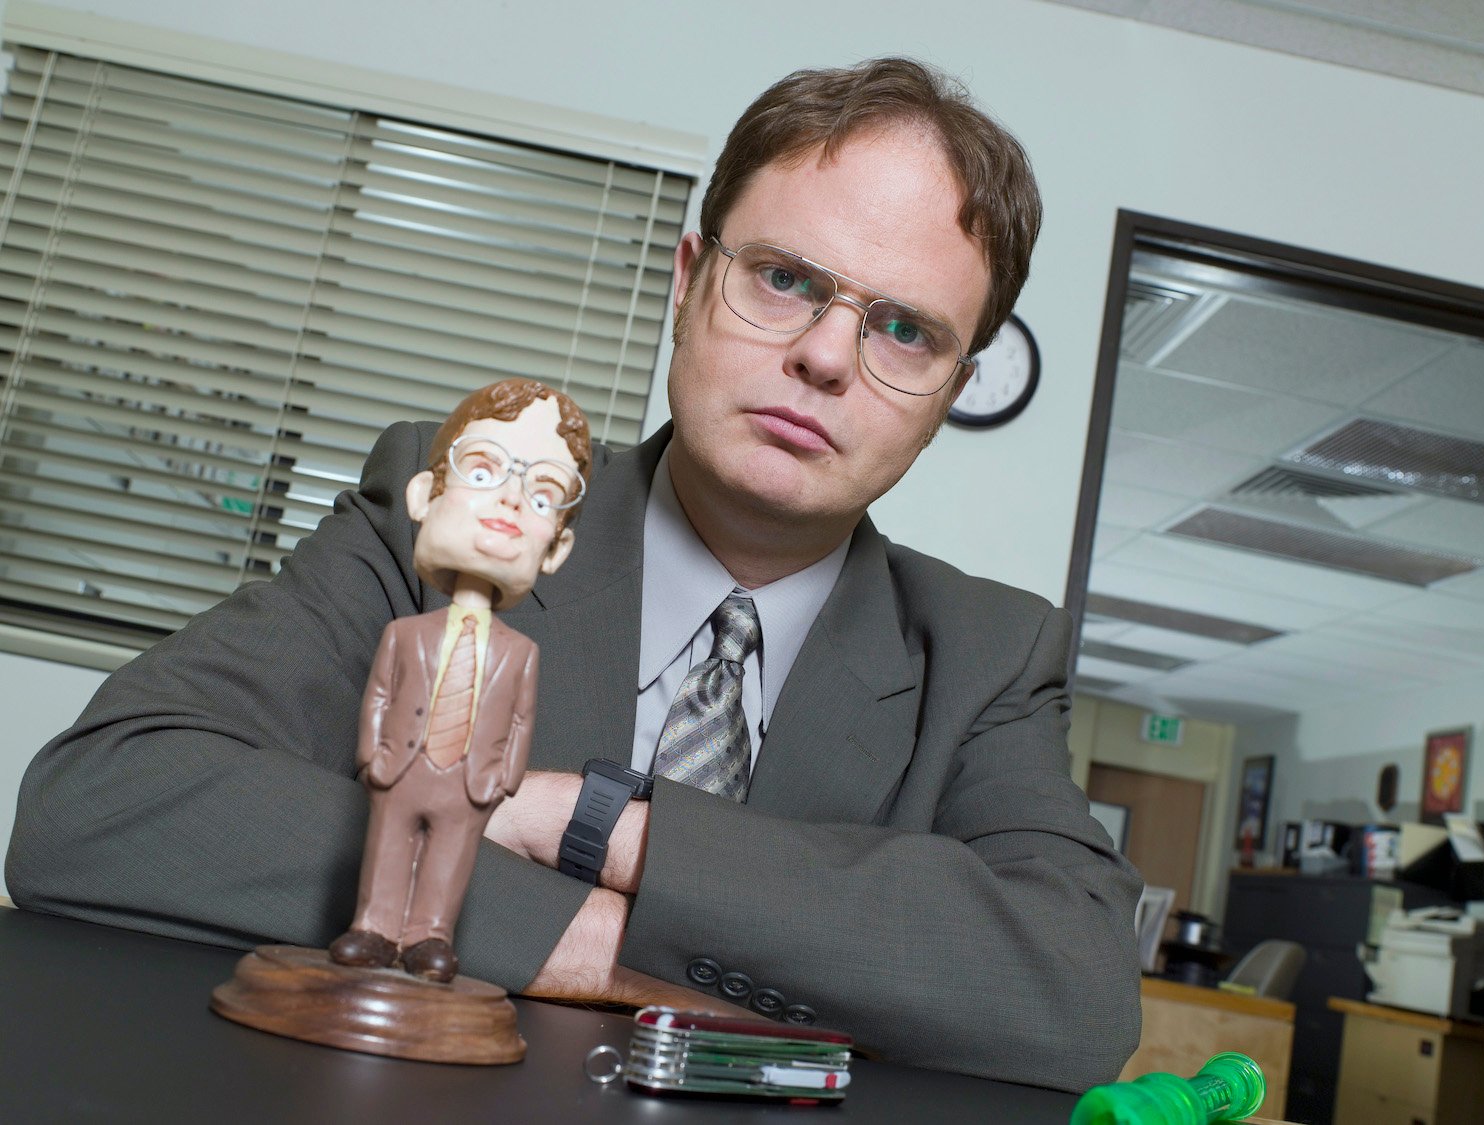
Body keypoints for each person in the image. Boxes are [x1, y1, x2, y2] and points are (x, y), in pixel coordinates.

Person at [6, 57, 1141, 1090]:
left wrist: (610, 828)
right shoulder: (451, 505)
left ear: (950, 390)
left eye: (904, 328)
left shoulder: (987, 655)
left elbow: (1078, 993)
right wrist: (582, 941)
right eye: (786, 279)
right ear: (690, 283)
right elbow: (105, 799)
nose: (827, 355)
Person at [328, 379, 587, 983]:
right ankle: (374, 926)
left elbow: (520, 719)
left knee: (449, 861)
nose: (512, 503)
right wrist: (375, 754)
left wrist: (505, 779)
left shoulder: (519, 652)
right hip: (402, 767)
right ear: (424, 494)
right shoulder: (406, 635)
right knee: (387, 849)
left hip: (470, 784)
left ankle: (430, 938)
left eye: (543, 496)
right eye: (483, 472)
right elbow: (382, 697)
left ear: (557, 548)